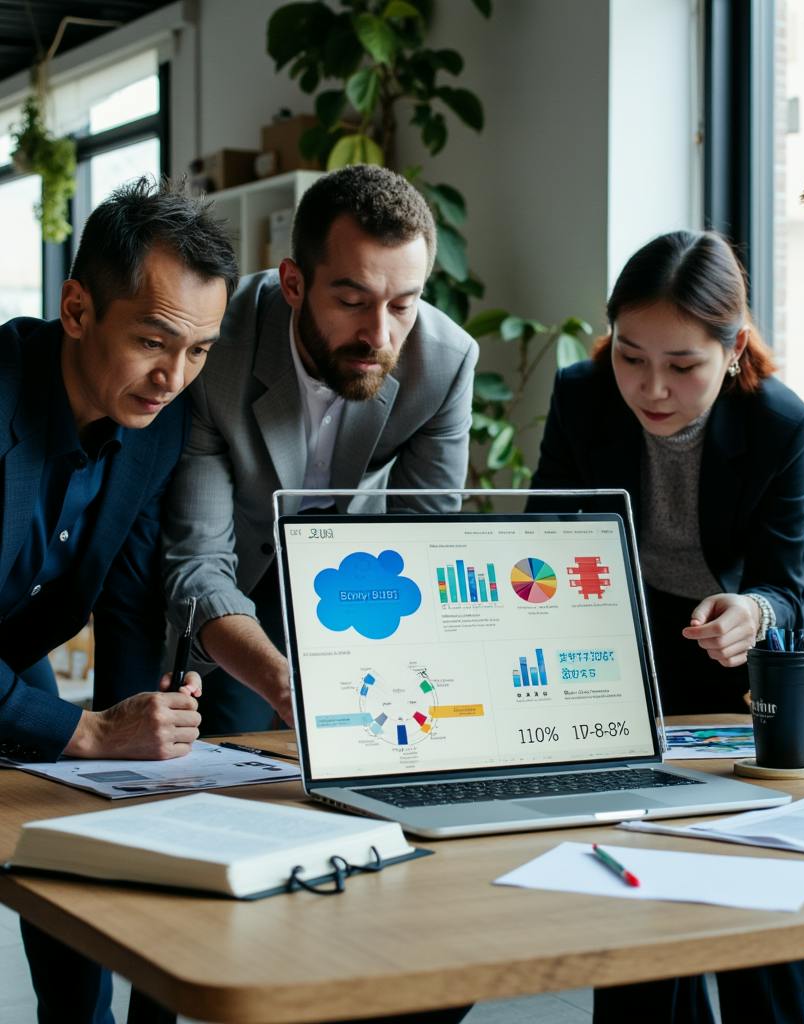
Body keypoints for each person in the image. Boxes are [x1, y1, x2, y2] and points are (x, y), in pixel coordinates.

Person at [529, 229, 804, 1024]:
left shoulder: (780, 423)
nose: (651, 389)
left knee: (758, 895)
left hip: (748, 648)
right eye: (631, 356)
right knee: (639, 887)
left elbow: (785, 582)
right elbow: (544, 534)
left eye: (684, 366)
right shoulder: (583, 394)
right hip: (640, 640)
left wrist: (753, 613)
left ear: (734, 350)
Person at [0, 177, 237, 1023]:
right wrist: (89, 733)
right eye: (151, 341)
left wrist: (142, 727)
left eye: (200, 350)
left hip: (13, 646)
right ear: (76, 310)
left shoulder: (156, 422)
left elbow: (130, 597)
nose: (173, 376)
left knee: (69, 824)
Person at [162, 163, 478, 737]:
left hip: (361, 572)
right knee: (237, 737)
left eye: (402, 305)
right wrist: (284, 683)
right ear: (293, 283)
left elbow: (424, 542)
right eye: (352, 300)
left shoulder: (445, 363)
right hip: (239, 568)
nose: (379, 336)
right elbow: (199, 560)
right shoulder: (218, 349)